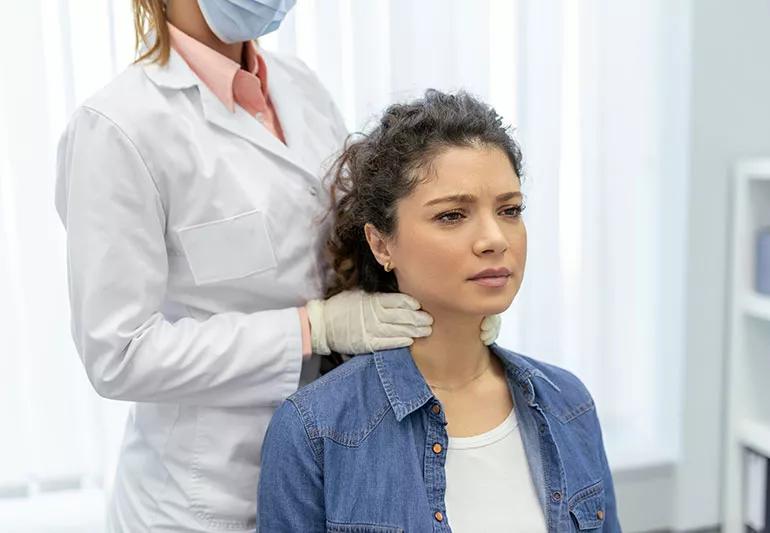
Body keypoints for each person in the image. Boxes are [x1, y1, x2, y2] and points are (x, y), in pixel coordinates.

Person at [54, 1, 503, 531]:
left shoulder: (299, 87)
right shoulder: (117, 128)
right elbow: (120, 354)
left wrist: (442, 309)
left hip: (341, 464)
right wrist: (311, 329)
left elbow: (359, 237)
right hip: (206, 502)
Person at [258, 90, 621, 532]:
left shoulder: (569, 403)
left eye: (510, 210)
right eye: (452, 215)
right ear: (381, 244)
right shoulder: (314, 431)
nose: (494, 239)